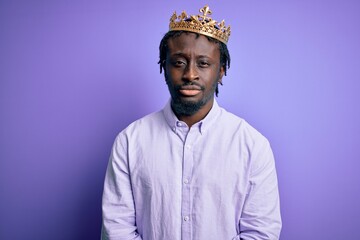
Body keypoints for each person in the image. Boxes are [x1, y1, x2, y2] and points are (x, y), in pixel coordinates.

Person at [101, 5, 281, 240]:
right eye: (179, 63)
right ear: (163, 67)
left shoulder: (253, 146)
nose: (190, 74)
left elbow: (261, 234)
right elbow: (117, 230)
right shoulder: (129, 141)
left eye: (204, 64)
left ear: (221, 71)